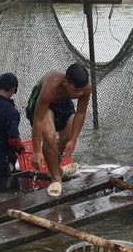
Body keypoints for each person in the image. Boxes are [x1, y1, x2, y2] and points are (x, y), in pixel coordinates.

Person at [26, 63, 91, 197]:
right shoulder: (52, 87)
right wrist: (37, 151)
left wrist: (73, 139)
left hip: (64, 102)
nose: (79, 94)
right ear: (66, 83)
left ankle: (54, 168)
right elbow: (38, 119)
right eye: (76, 89)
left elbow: (80, 113)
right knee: (49, 136)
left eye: (82, 90)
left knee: (67, 137)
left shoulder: (85, 89)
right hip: (43, 103)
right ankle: (55, 178)